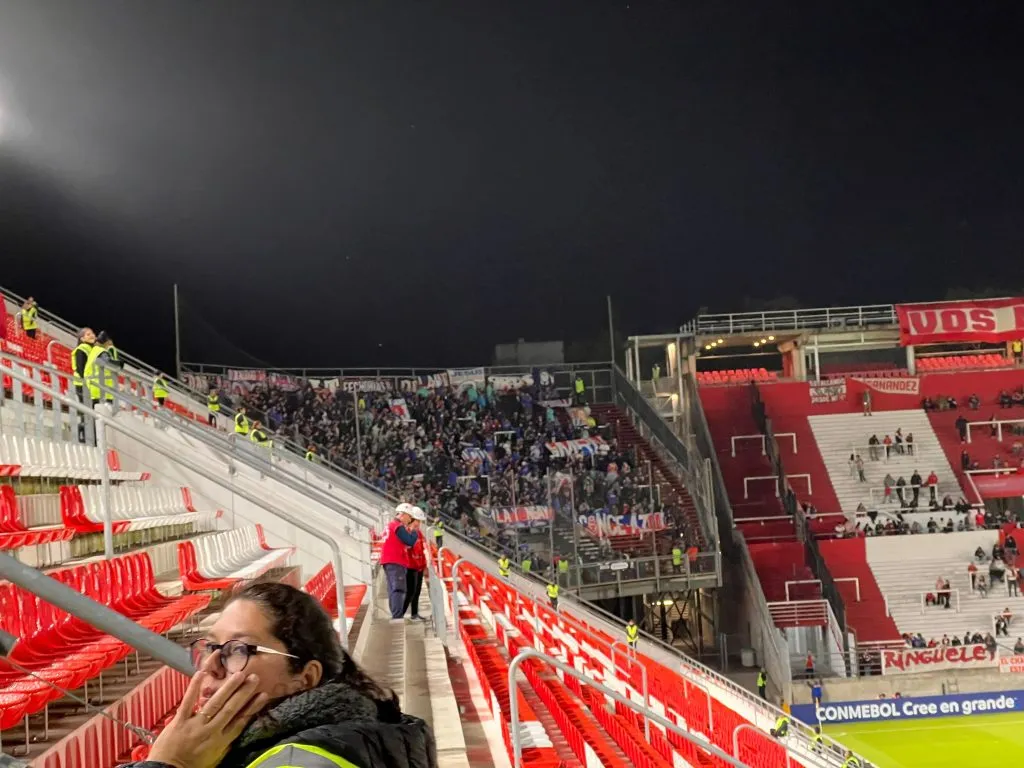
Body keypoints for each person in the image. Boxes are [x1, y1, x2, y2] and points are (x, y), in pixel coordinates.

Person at [123, 581, 436, 768]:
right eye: (209, 647)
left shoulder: (296, 761)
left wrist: (166, 764)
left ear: (305, 677)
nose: (210, 667)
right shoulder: (348, 730)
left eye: (239, 650)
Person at [380, 504, 423, 621]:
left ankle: (396, 615)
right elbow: (410, 541)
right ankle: (397, 616)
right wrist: (414, 530)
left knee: (393, 589)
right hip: (395, 560)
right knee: (398, 589)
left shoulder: (390, 525)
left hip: (389, 560)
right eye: (409, 517)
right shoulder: (397, 526)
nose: (410, 520)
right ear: (403, 514)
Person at [72, 328, 96, 443]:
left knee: (92, 412)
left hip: (92, 386)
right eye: (88, 334)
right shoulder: (81, 350)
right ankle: (85, 436)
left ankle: (92, 437)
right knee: (87, 412)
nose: (92, 335)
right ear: (82, 338)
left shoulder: (93, 349)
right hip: (83, 385)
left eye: (92, 333)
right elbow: (81, 370)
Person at [404, 528, 427, 621]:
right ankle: (400, 614)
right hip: (411, 566)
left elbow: (422, 548)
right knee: (410, 592)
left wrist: (424, 564)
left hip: (419, 565)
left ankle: (414, 613)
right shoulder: (406, 532)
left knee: (417, 591)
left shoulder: (419, 532)